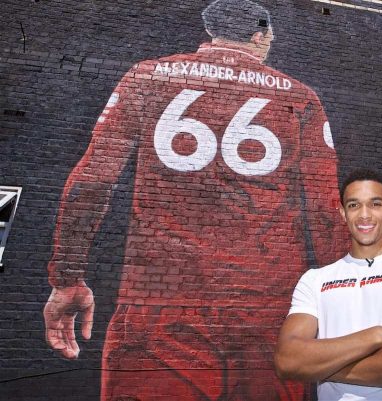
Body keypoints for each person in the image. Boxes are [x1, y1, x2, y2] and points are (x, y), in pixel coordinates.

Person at [43, 0, 346, 399]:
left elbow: (93, 181)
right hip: (271, 312)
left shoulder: (147, 76)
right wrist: (345, 301)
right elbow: (326, 214)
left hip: (160, 309)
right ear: (259, 35)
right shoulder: (301, 97)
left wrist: (67, 277)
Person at [275, 169, 382, 401]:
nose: (364, 215)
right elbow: (287, 360)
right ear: (342, 213)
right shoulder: (315, 280)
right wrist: (376, 335)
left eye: (375, 204)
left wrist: (323, 368)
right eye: (354, 205)